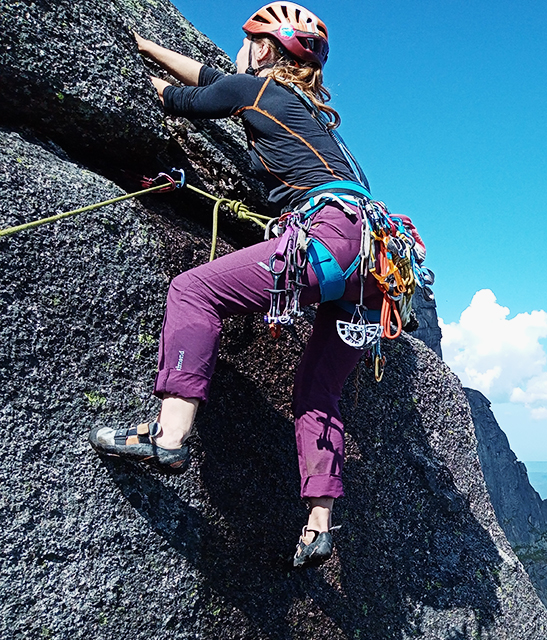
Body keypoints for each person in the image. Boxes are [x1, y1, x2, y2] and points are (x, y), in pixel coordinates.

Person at [89, 1, 384, 568]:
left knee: (194, 291)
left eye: (249, 41)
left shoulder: (257, 91)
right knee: (317, 393)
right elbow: (217, 80)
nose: (241, 51)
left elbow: (194, 97)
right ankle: (320, 524)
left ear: (267, 50)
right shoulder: (317, 125)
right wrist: (154, 45)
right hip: (374, 267)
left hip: (327, 238)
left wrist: (134, 61)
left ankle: (168, 436)